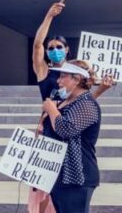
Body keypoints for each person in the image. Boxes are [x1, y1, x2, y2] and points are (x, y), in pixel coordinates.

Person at [31, 2, 114, 213]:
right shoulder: (46, 73)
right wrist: (49, 15)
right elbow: (37, 46)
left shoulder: (82, 97)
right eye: (51, 48)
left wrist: (50, 110)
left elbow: (78, 113)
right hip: (54, 156)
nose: (59, 81)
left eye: (59, 47)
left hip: (74, 170)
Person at [41, 61, 101, 213]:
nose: (58, 81)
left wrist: (52, 110)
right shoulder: (65, 101)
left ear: (77, 79)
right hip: (60, 173)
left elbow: (65, 129)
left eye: (63, 76)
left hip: (77, 176)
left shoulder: (87, 104)